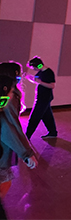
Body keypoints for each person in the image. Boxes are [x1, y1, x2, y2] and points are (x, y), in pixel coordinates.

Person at [0, 63, 38, 199]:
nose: (21, 78)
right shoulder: (9, 96)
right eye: (19, 74)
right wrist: (26, 153)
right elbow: (8, 127)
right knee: (4, 185)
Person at [25, 56, 58, 139]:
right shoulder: (41, 72)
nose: (34, 70)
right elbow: (38, 81)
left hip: (44, 98)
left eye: (34, 68)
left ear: (38, 66)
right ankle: (52, 132)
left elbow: (52, 85)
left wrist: (40, 82)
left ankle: (27, 136)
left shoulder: (49, 72)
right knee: (47, 115)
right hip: (41, 97)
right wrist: (30, 78)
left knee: (35, 116)